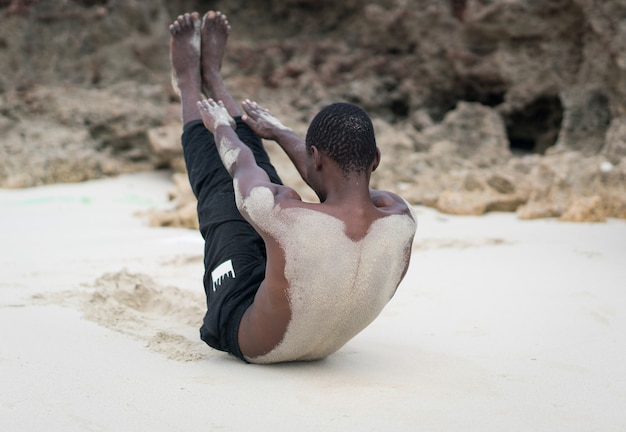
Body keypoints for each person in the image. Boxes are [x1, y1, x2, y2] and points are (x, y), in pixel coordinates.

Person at [169, 10, 417, 364]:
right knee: (270, 199)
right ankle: (215, 77)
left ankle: (189, 84)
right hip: (322, 340)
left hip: (250, 334)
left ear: (315, 158)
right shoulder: (400, 217)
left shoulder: (288, 217)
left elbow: (239, 163)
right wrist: (279, 132)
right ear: (375, 158)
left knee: (224, 192)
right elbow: (334, 182)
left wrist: (222, 125)